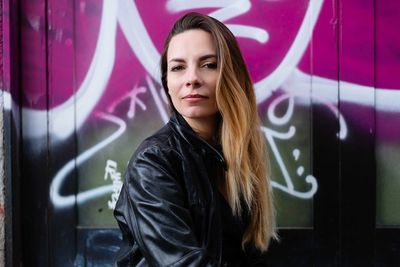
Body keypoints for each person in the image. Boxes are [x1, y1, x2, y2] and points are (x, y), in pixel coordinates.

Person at [114, 12, 277, 266]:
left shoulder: (237, 156)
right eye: (178, 67)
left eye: (209, 64)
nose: (191, 79)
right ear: (167, 82)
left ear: (232, 75)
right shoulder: (154, 161)